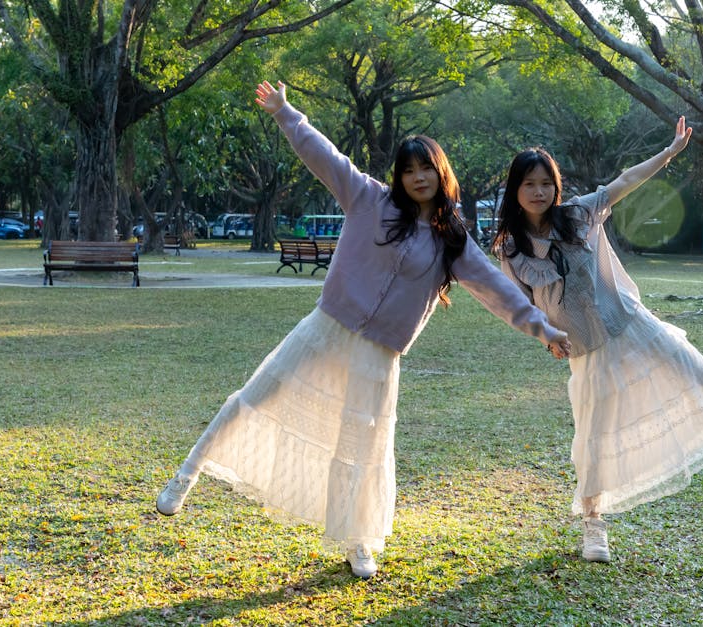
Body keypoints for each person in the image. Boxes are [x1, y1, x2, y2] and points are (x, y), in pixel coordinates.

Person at [156, 80, 571, 579]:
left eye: (426, 169)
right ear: (399, 176)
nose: (418, 177)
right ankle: (187, 474)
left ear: (441, 174)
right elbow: (323, 155)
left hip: (380, 354)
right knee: (257, 395)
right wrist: (286, 112)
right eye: (409, 169)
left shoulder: (452, 239)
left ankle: (360, 542)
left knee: (362, 446)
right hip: (328, 327)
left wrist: (544, 329)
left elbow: (496, 291)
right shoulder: (369, 199)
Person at [492, 117, 703, 564]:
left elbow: (624, 181)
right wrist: (545, 335)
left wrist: (668, 153)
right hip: (585, 351)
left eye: (547, 182)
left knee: (699, 372)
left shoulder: (578, 215)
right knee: (593, 438)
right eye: (530, 184)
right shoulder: (510, 248)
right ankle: (593, 525)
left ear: (556, 187)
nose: (540, 191)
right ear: (516, 190)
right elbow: (521, 303)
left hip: (631, 325)